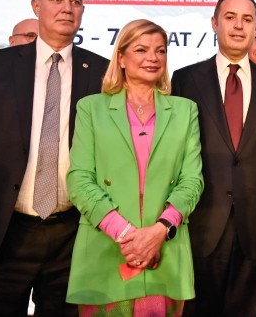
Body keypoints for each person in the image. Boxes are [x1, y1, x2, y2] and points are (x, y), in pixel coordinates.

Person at [0, 0, 109, 316]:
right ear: (36, 6)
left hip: (73, 234)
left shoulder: (102, 71)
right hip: (4, 230)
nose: (67, 7)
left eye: (76, 1)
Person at [65, 19, 203, 315]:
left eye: (160, 50)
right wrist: (128, 236)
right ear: (121, 58)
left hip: (165, 250)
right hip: (106, 248)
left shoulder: (185, 110)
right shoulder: (91, 108)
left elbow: (192, 180)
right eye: (141, 50)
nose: (153, 58)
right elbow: (80, 179)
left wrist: (158, 232)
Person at [171, 0, 256, 316]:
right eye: (230, 17)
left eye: (247, 19)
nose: (239, 26)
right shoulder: (185, 79)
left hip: (255, 230)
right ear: (214, 23)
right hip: (201, 224)